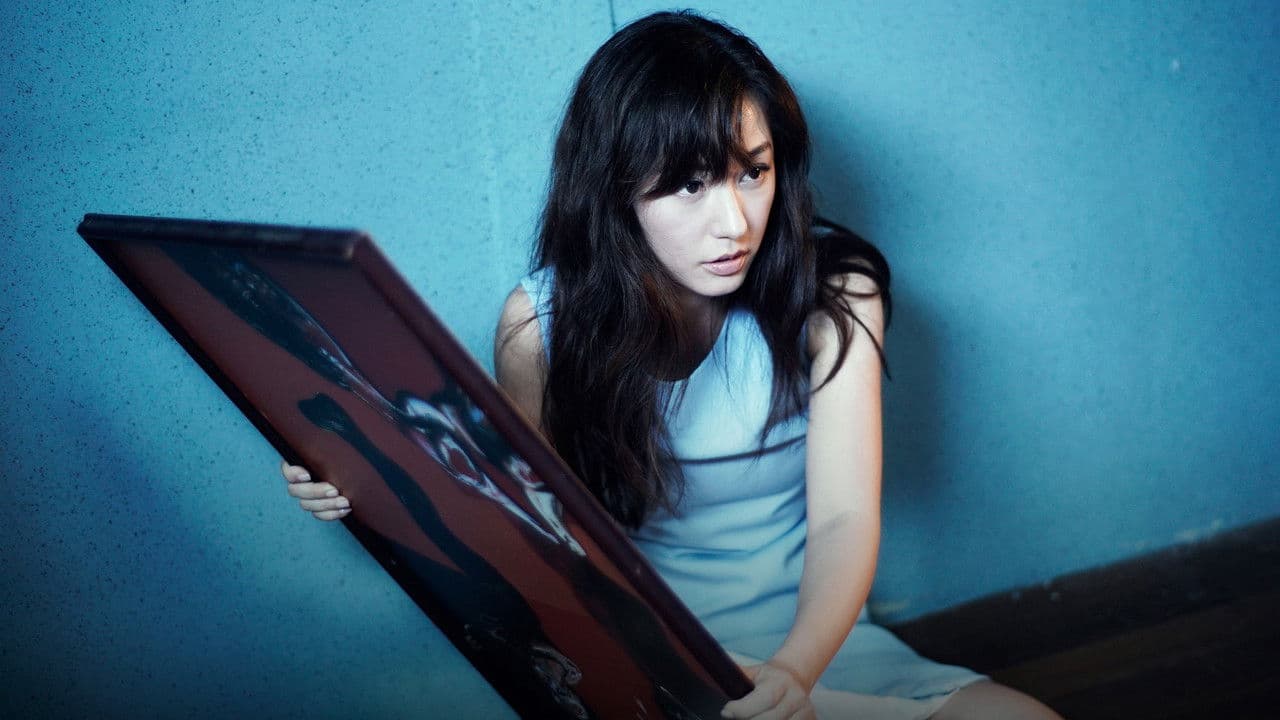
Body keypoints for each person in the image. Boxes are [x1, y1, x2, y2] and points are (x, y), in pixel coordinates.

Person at [283, 11, 1063, 720]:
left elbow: (844, 519)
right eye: (691, 184)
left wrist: (793, 674)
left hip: (815, 640)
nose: (735, 223)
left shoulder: (835, 292)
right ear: (619, 189)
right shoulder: (542, 325)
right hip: (642, 650)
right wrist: (369, 481)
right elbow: (529, 536)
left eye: (753, 172)